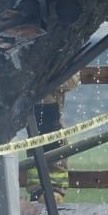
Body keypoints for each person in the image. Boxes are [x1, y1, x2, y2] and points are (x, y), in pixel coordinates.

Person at [25, 73, 78, 203]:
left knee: (56, 150)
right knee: (35, 151)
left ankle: (55, 191)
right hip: (32, 114)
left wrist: (47, 81)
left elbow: (73, 80)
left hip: (52, 116)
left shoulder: (62, 57)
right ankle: (37, 192)